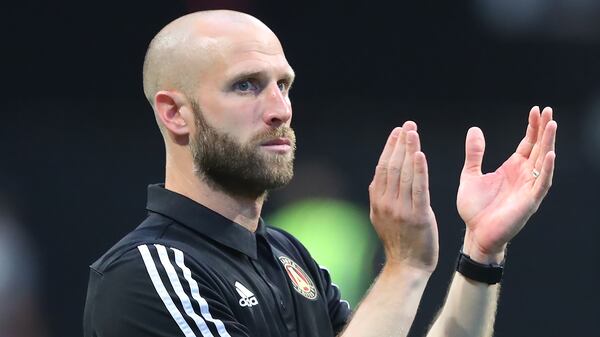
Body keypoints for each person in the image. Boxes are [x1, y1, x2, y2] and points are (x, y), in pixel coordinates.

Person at [83, 9, 557, 337]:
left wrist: (479, 254)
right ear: (175, 113)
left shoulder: (290, 258)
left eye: (283, 85)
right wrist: (405, 267)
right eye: (246, 85)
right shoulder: (151, 274)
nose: (279, 109)